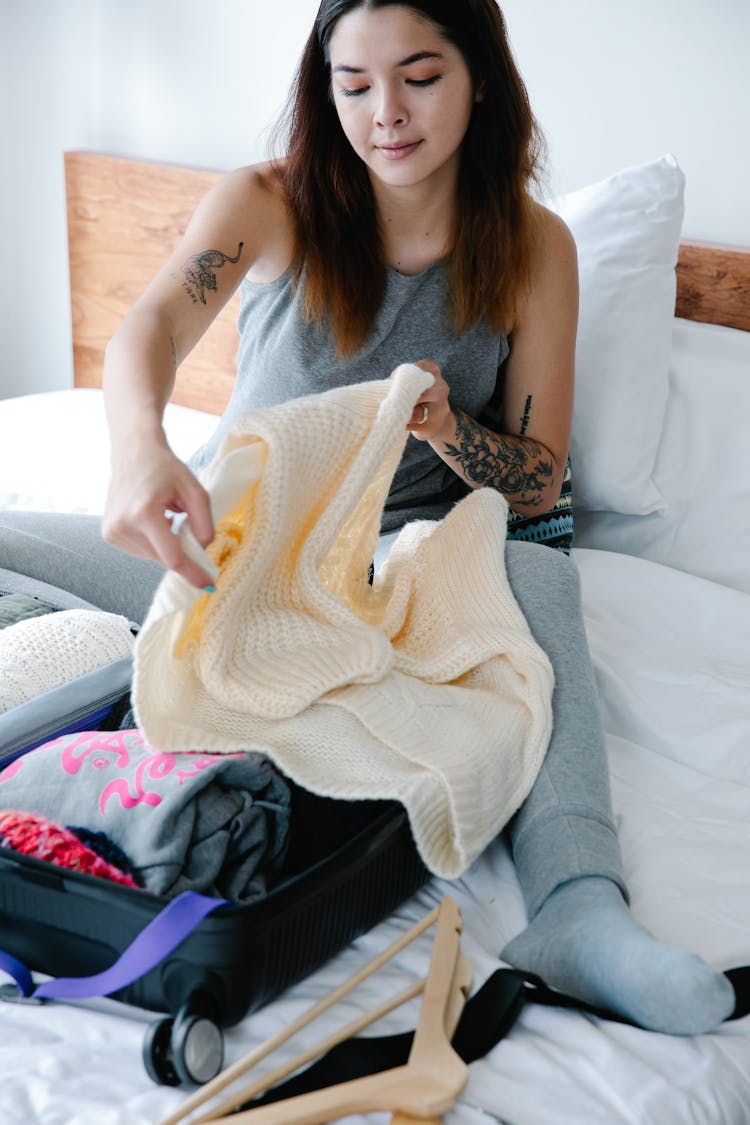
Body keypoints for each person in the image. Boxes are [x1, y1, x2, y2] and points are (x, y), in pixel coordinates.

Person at [0, 0, 733, 1034]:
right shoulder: (272, 202)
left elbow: (534, 483)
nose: (384, 112)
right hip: (233, 549)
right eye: (353, 85)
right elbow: (152, 326)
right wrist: (140, 452)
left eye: (419, 76)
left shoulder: (533, 248)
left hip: (407, 568)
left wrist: (443, 430)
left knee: (544, 566)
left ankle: (579, 905)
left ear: (482, 78)